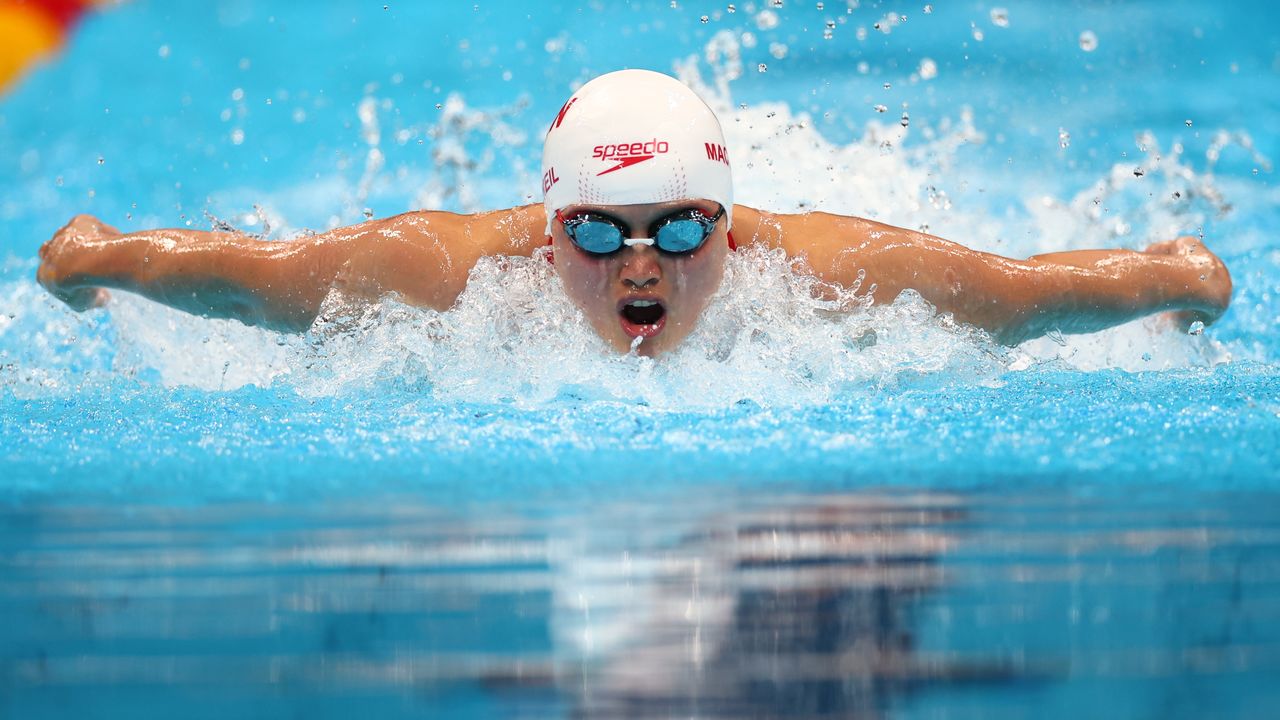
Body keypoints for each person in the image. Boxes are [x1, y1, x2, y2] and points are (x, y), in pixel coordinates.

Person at [37, 70, 1231, 356]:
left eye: (681, 228)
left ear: (729, 218)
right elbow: (260, 278)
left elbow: (1024, 298)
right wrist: (103, 258)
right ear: (550, 228)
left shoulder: (827, 274)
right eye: (603, 233)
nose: (641, 263)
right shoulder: (441, 272)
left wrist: (1175, 275)